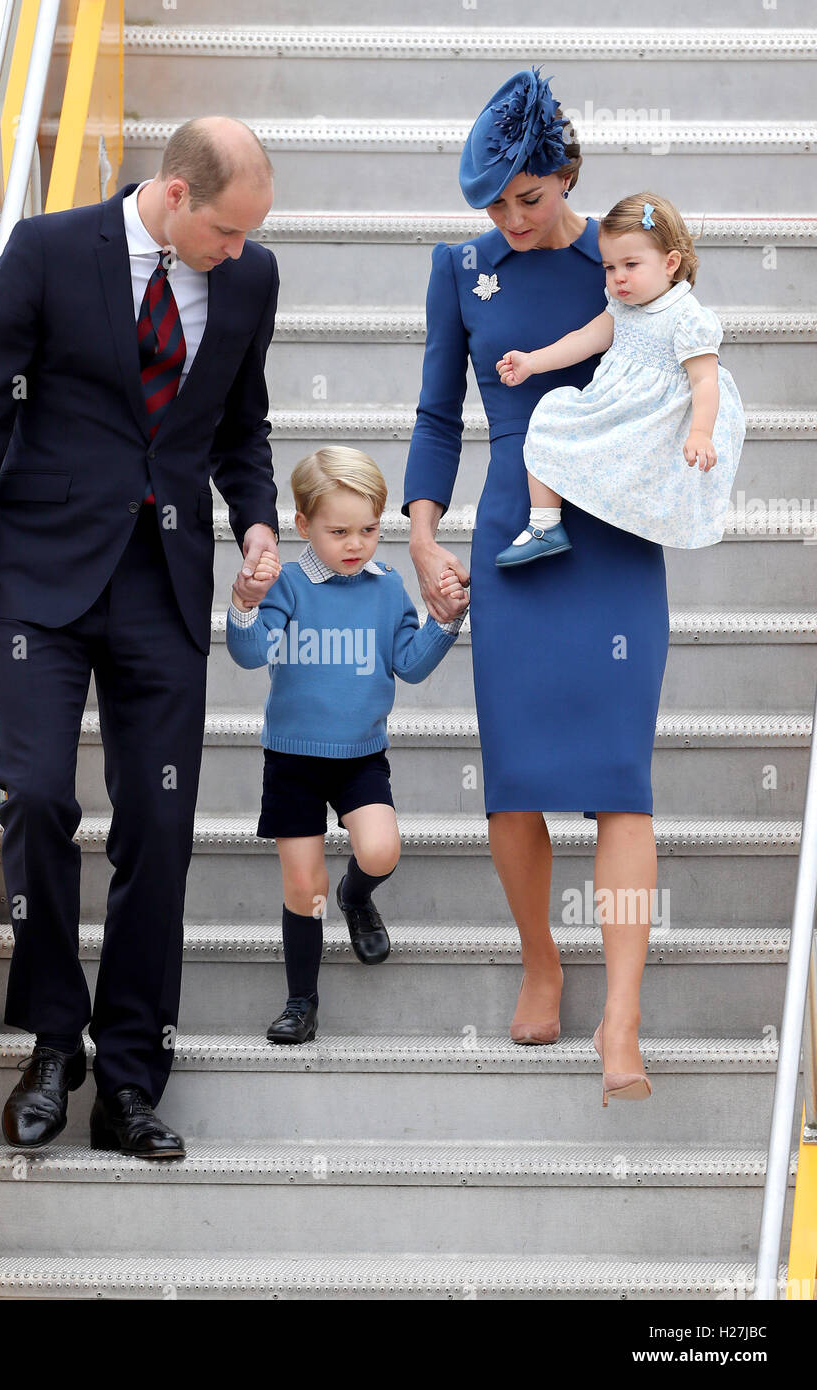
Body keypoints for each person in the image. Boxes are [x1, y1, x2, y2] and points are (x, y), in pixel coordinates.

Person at [0, 117, 282, 1156]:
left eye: (251, 235)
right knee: (34, 797)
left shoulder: (247, 282)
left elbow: (237, 425)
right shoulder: (46, 251)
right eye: (224, 231)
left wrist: (255, 520)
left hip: (161, 585)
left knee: (158, 831)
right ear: (171, 195)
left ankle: (128, 1078)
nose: (237, 253)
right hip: (39, 579)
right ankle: (52, 1041)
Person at [404, 67, 669, 1104]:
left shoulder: (622, 252)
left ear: (565, 173)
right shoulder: (457, 268)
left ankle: (621, 1017)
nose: (509, 219)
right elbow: (435, 416)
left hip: (614, 536)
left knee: (618, 780)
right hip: (518, 532)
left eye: (528, 196)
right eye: (491, 203)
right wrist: (422, 539)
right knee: (512, 778)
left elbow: (683, 356)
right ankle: (541, 960)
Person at [225, 447, 468, 1044]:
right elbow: (251, 654)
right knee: (302, 888)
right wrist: (244, 606)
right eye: (338, 531)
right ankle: (301, 999)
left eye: (368, 529)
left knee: (381, 851)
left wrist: (446, 622)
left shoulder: (386, 589)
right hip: (293, 760)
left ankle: (356, 896)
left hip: (360, 758)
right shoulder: (287, 584)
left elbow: (408, 666)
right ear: (303, 526)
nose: (355, 544)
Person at [495, 191, 745, 566]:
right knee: (551, 414)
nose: (619, 278)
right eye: (610, 268)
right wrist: (533, 362)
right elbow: (585, 339)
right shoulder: (622, 307)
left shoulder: (687, 318)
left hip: (657, 421)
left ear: (670, 263)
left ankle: (627, 511)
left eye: (631, 264)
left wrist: (700, 433)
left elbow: (705, 382)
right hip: (615, 408)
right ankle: (545, 525)